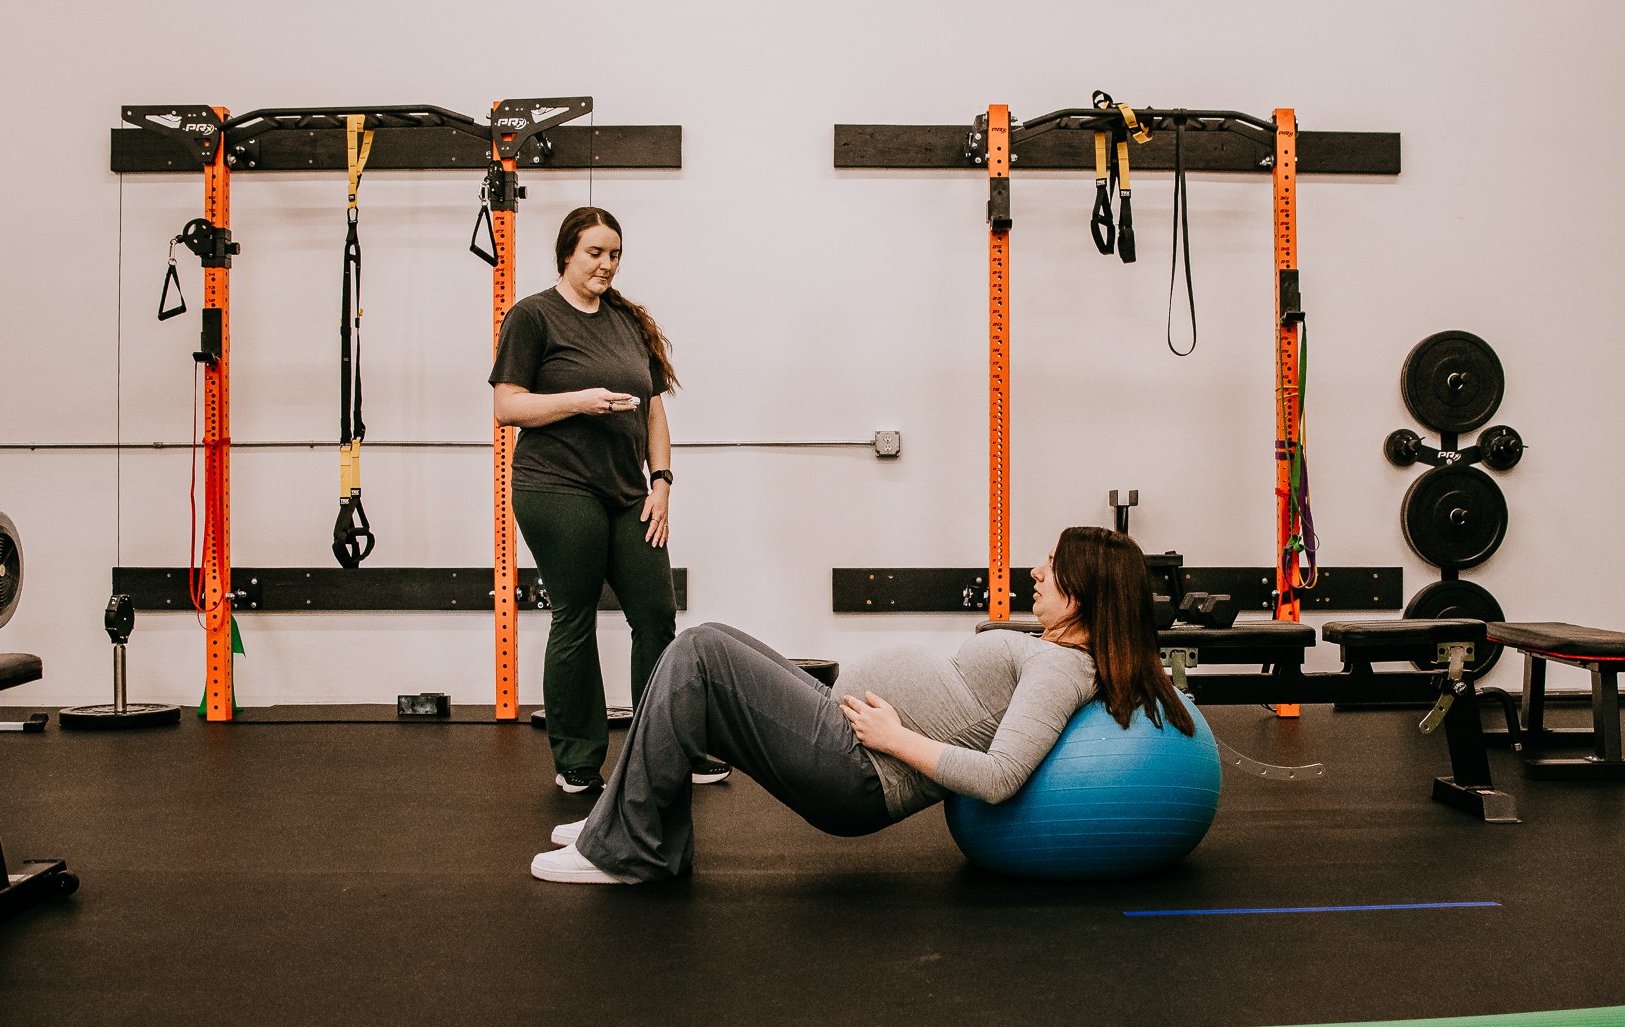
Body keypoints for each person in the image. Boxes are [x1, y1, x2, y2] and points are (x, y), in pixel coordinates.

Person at [531, 525, 1197, 883]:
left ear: (1080, 592)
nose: (1036, 573)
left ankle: (626, 849)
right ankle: (634, 828)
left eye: (1051, 566)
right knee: (705, 644)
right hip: (845, 738)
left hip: (857, 769)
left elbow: (999, 777)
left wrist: (895, 737)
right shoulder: (1056, 650)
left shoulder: (1059, 668)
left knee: (699, 652)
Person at [490, 206, 727, 796]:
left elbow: (653, 407)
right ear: (567, 253)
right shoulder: (533, 317)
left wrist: (663, 481)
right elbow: (508, 406)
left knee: (655, 616)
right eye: (594, 253)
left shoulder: (626, 320)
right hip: (556, 486)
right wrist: (578, 401)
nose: (605, 264)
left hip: (629, 493)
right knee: (575, 614)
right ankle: (577, 759)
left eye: (614, 254)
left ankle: (666, 746)